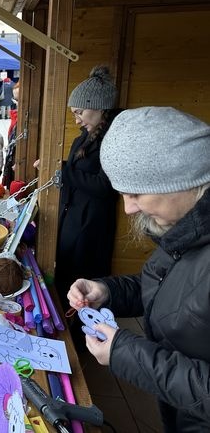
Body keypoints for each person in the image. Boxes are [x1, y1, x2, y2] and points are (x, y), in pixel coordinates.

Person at [67, 107, 210, 432]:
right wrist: (109, 292)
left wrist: (124, 352)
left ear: (184, 179)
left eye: (136, 193)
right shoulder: (188, 228)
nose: (129, 208)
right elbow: (178, 290)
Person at [54, 66, 121, 305]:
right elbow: (73, 171)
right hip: (72, 220)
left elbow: (106, 186)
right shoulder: (83, 136)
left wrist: (63, 170)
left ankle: (82, 339)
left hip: (92, 227)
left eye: (80, 112)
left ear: (99, 107)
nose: (77, 119)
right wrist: (56, 167)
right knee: (65, 284)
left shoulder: (114, 139)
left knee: (83, 288)